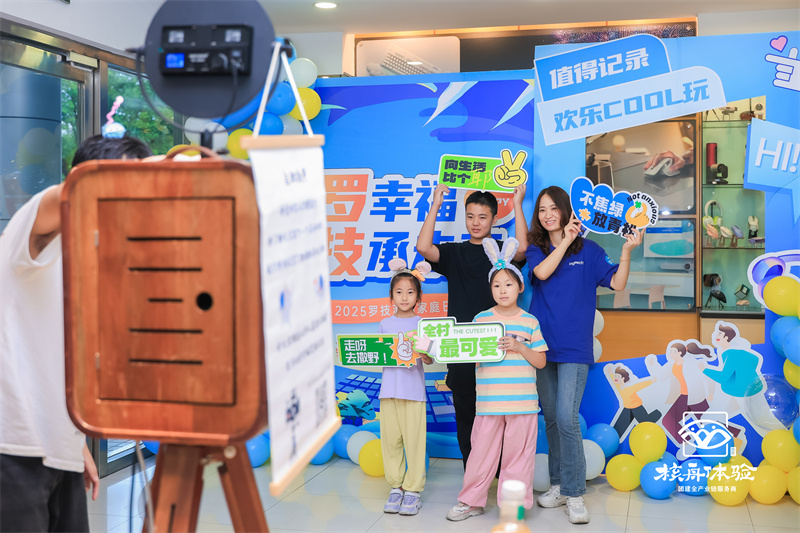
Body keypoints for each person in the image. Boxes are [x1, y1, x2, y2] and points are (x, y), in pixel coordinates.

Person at [1, 134, 153, 532]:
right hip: (12, 448)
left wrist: (74, 441)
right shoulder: (32, 233)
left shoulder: (98, 254)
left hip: (59, 446)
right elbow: (66, 197)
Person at [525, 185, 641, 524]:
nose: (548, 215)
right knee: (550, 418)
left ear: (566, 210)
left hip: (574, 346)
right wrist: (563, 242)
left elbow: (617, 284)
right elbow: (542, 273)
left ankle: (575, 493)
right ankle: (559, 484)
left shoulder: (589, 251)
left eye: (553, 208)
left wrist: (627, 251)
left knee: (566, 417)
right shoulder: (536, 249)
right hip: (541, 346)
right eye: (542, 210)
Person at [416, 183, 528, 467]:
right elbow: (423, 247)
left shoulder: (501, 252)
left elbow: (523, 250)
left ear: (494, 219)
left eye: (482, 217)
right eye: (470, 216)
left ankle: (501, 474)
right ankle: (473, 473)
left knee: (499, 416)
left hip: (498, 347)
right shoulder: (455, 252)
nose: (476, 223)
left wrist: (518, 204)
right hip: (462, 348)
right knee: (466, 413)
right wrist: (435, 205)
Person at [446, 237, 547, 521]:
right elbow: (468, 354)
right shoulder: (480, 320)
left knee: (518, 458)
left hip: (523, 404)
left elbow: (541, 361)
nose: (503, 290)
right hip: (489, 403)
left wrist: (519, 347)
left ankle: (513, 506)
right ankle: (471, 501)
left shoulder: (530, 322)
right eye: (497, 285)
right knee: (480, 455)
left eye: (508, 284)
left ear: (520, 287)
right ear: (490, 289)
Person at [379, 258, 434, 517]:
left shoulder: (423, 324)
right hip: (388, 391)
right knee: (391, 441)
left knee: (414, 442)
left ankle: (413, 491)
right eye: (399, 292)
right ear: (391, 296)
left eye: (410, 292)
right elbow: (378, 354)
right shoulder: (385, 324)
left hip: (413, 392)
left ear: (418, 296)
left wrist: (425, 355)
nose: (404, 297)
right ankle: (396, 487)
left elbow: (430, 359)